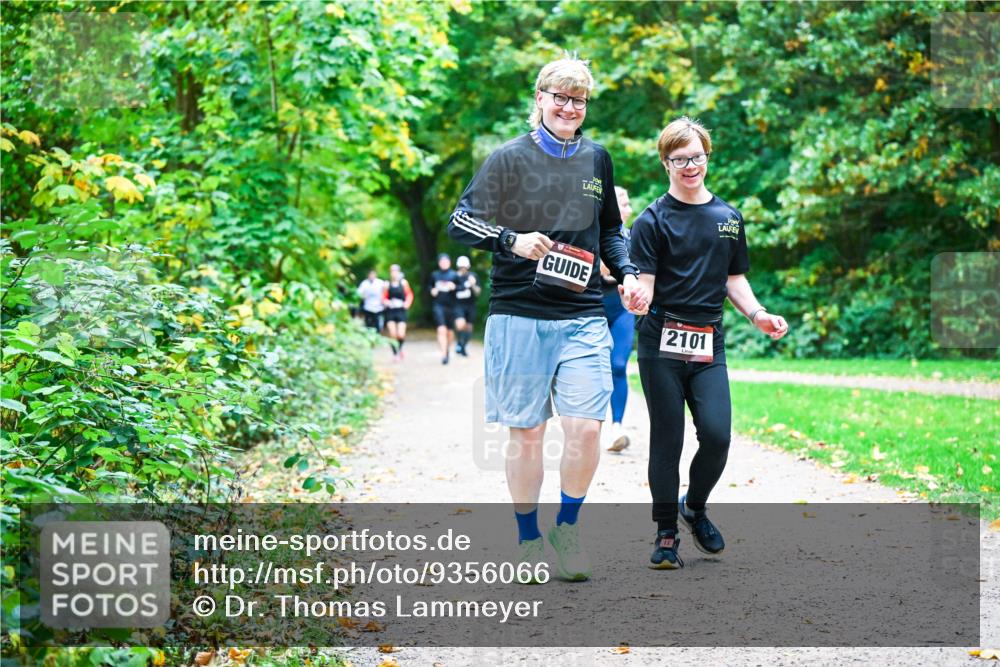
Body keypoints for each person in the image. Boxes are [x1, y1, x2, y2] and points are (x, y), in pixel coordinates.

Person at [447, 57, 648, 582]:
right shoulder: (508, 159)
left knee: (585, 429)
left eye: (578, 100)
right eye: (559, 97)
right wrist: (509, 239)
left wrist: (625, 273)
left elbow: (610, 231)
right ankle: (528, 538)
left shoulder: (597, 160)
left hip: (582, 311)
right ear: (539, 98)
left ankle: (568, 526)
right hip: (519, 311)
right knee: (529, 434)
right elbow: (461, 220)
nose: (568, 107)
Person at [629, 117, 788, 570]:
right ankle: (665, 536)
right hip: (661, 342)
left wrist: (757, 314)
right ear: (666, 163)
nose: (689, 165)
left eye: (696, 156)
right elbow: (645, 282)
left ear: (707, 156)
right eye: (679, 159)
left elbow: (734, 278)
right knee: (668, 439)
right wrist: (638, 297)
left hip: (707, 346)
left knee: (717, 435)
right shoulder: (652, 220)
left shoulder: (728, 219)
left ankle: (693, 508)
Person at [601, 186, 636, 453]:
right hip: (592, 309)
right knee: (593, 369)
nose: (629, 209)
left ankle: (617, 426)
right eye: (624, 204)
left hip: (622, 309)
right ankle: (589, 427)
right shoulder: (590, 235)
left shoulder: (633, 237)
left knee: (618, 364)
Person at [429, 253, 459, 364]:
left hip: (451, 306)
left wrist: (454, 287)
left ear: (449, 262)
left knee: (450, 332)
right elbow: (430, 287)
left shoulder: (454, 275)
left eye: (446, 261)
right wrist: (432, 291)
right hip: (438, 305)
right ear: (439, 263)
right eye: (442, 261)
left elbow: (461, 288)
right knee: (441, 329)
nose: (444, 263)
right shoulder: (434, 275)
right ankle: (443, 354)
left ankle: (447, 350)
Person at [383, 264, 414, 360]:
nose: (394, 273)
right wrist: (387, 302)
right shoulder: (387, 284)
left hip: (401, 310)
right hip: (391, 311)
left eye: (396, 271)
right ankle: (394, 353)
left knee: (401, 334)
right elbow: (383, 297)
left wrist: (407, 304)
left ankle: (400, 349)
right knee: (392, 333)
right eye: (392, 271)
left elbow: (409, 294)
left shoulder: (404, 283)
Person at [453, 255, 481, 357]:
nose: (463, 269)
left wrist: (472, 284)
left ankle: (462, 346)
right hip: (458, 305)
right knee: (461, 325)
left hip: (470, 305)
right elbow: (451, 290)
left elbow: (478, 292)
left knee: (469, 328)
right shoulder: (454, 277)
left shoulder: (473, 276)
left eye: (464, 267)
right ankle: (459, 343)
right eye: (461, 267)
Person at [356, 269, 385, 333]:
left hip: (378, 307)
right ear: (368, 275)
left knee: (378, 324)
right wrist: (363, 296)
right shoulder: (364, 283)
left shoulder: (380, 283)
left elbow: (386, 292)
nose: (372, 276)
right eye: (370, 274)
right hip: (368, 307)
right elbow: (358, 293)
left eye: (373, 274)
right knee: (368, 324)